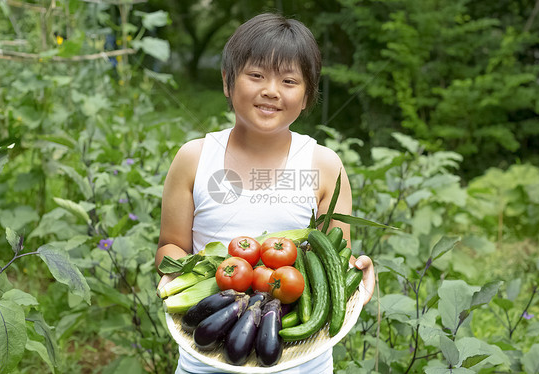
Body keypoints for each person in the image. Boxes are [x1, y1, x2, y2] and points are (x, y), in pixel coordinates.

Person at [156, 12, 376, 374]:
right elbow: (170, 247)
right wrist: (175, 278)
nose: (271, 90)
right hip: (210, 353)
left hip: (301, 360)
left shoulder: (324, 165)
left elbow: (332, 259)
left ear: (307, 96)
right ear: (228, 82)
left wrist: (356, 273)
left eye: (289, 80)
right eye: (256, 75)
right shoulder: (194, 158)